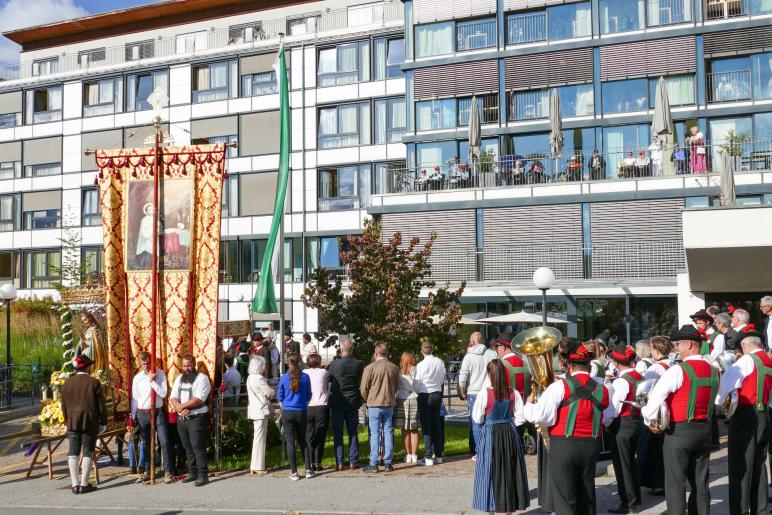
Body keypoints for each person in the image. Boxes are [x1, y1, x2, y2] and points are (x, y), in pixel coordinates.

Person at [524, 340, 615, 514]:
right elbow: (609, 418)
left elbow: (542, 417)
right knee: (586, 493)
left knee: (565, 498)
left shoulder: (559, 387)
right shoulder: (603, 389)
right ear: (589, 365)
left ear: (570, 366)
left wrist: (528, 406)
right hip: (591, 445)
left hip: (564, 445)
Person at [641, 325, 718, 515]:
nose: (676, 348)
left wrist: (649, 421)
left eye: (678, 344)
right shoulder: (714, 370)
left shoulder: (678, 370)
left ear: (689, 344)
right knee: (700, 482)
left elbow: (655, 400)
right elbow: (718, 400)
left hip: (679, 432)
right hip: (704, 431)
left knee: (675, 483)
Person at [715, 331, 772, 515]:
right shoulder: (768, 361)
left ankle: (739, 510)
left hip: (745, 416)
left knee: (740, 465)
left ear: (745, 345)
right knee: (759, 464)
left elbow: (726, 384)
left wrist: (719, 403)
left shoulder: (747, 360)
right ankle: (760, 510)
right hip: (763, 413)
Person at [471, 360, 530, 513]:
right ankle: (508, 509)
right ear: (504, 374)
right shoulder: (513, 392)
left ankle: (491, 507)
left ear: (489, 375)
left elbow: (477, 418)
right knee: (510, 469)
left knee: (489, 469)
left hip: (491, 433)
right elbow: (521, 418)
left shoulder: (484, 393)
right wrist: (509, 423)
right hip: (509, 433)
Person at [61, 355, 107, 495]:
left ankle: (75, 484)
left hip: (72, 422)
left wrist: (67, 421)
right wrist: (103, 422)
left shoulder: (67, 383)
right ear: (87, 367)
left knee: (73, 452)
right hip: (89, 421)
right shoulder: (94, 382)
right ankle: (84, 484)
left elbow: (63, 406)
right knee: (88, 451)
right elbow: (101, 406)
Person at [604, 345, 643, 513]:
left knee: (622, 465)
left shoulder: (621, 381)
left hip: (623, 424)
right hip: (636, 421)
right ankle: (635, 497)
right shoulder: (639, 376)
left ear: (617, 363)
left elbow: (613, 410)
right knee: (631, 462)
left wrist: (606, 423)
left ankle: (628, 502)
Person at [639, 336, 674, 496]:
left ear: (657, 350)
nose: (651, 352)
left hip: (658, 411)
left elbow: (647, 390)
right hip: (670, 409)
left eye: (652, 349)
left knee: (655, 450)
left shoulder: (656, 368)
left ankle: (658, 483)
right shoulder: (673, 363)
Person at [169, 354, 212, 487]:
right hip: (182, 417)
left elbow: (199, 398)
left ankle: (203, 475)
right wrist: (179, 408)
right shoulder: (179, 378)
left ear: (194, 365)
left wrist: (182, 406)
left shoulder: (202, 378)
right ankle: (192, 472)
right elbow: (173, 397)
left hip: (197, 417)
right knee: (187, 446)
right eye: (184, 366)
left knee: (197, 446)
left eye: (189, 365)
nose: (187, 368)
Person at [131, 351, 172, 484]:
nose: (146, 366)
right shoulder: (137, 378)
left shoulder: (160, 374)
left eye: (148, 363)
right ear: (140, 364)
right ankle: (148, 470)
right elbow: (136, 398)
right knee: (146, 443)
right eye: (143, 364)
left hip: (157, 412)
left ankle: (168, 471)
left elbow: (163, 393)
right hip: (143, 413)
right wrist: (133, 416)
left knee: (164, 441)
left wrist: (152, 382)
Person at [360, 342, 400, 473]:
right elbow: (396, 386)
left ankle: (374, 463)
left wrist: (368, 399)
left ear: (375, 353)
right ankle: (388, 463)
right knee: (388, 432)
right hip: (389, 403)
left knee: (375, 433)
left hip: (374, 404)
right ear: (387, 353)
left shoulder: (369, 368)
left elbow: (363, 388)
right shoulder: (394, 367)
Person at [327, 336, 364, 470]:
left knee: (338, 432)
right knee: (352, 431)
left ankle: (340, 462)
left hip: (337, 400)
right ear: (352, 350)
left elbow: (328, 378)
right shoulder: (359, 364)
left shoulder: (334, 364)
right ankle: (353, 460)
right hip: (353, 401)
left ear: (341, 350)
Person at [459, 332, 497, 458]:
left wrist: (463, 391)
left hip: (474, 392)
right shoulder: (492, 354)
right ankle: (488, 447)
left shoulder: (469, 357)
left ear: (472, 342)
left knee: (475, 421)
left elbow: (462, 377)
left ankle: (477, 450)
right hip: (489, 391)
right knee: (489, 421)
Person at [277, 353, 312, 480]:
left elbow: (280, 397)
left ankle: (294, 472)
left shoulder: (284, 378)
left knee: (290, 442)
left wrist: (285, 406)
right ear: (300, 362)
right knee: (303, 441)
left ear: (287, 363)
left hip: (287, 411)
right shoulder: (305, 377)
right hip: (301, 411)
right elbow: (309, 396)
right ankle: (308, 470)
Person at [414, 341, 447, 466]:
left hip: (425, 395)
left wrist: (418, 391)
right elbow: (442, 379)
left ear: (422, 351)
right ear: (432, 350)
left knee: (426, 427)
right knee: (436, 425)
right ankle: (438, 455)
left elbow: (416, 383)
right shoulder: (440, 362)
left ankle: (428, 456)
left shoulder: (421, 365)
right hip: (437, 394)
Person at [246, 355, 274, 475]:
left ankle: (255, 465)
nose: (265, 367)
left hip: (254, 409)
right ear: (260, 366)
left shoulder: (250, 377)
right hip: (261, 410)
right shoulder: (259, 378)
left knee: (258, 438)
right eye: (264, 365)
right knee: (260, 439)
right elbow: (270, 392)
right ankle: (258, 466)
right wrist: (272, 392)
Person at [304, 352, 329, 472]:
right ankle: (317, 462)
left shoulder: (304, 372)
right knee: (320, 435)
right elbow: (327, 387)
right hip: (321, 405)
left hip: (308, 406)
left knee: (309, 435)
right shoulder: (324, 372)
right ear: (319, 362)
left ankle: (309, 462)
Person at [394, 351, 419, 464]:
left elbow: (395, 387)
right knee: (414, 429)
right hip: (414, 398)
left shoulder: (399, 371)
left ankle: (407, 454)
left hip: (402, 399)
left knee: (404, 429)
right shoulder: (416, 370)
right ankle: (414, 455)